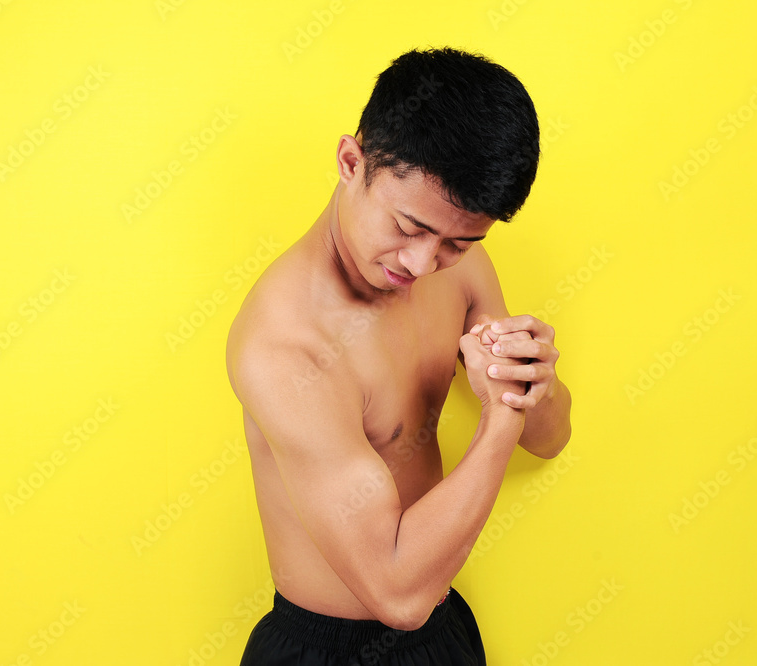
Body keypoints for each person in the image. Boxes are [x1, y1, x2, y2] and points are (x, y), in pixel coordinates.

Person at [226, 46, 572, 665]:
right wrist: (498, 422)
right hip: (329, 646)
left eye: (457, 243)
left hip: (439, 629)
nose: (421, 264)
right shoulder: (285, 348)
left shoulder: (459, 271)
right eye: (408, 228)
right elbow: (395, 591)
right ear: (351, 162)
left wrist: (533, 381)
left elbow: (549, 438)